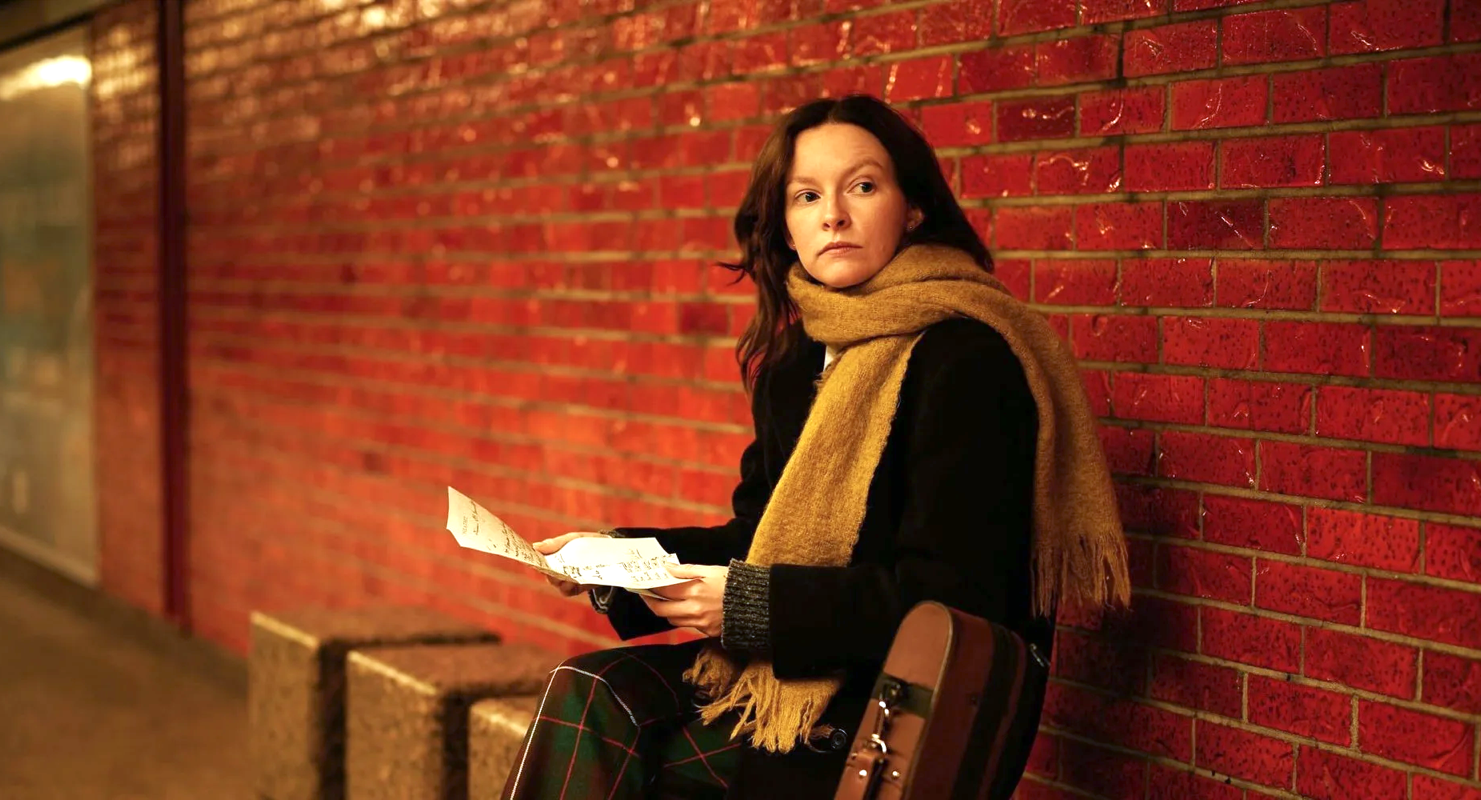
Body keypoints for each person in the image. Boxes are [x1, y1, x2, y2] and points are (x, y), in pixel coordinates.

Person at [500, 94, 1130, 800]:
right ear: (785, 227)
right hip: (778, 682)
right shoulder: (795, 367)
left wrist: (750, 608)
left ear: (912, 207)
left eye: (861, 186)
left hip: (887, 710)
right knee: (588, 690)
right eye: (806, 196)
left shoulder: (967, 359)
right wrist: (611, 558)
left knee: (608, 737)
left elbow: (954, 600)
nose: (833, 213)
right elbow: (756, 537)